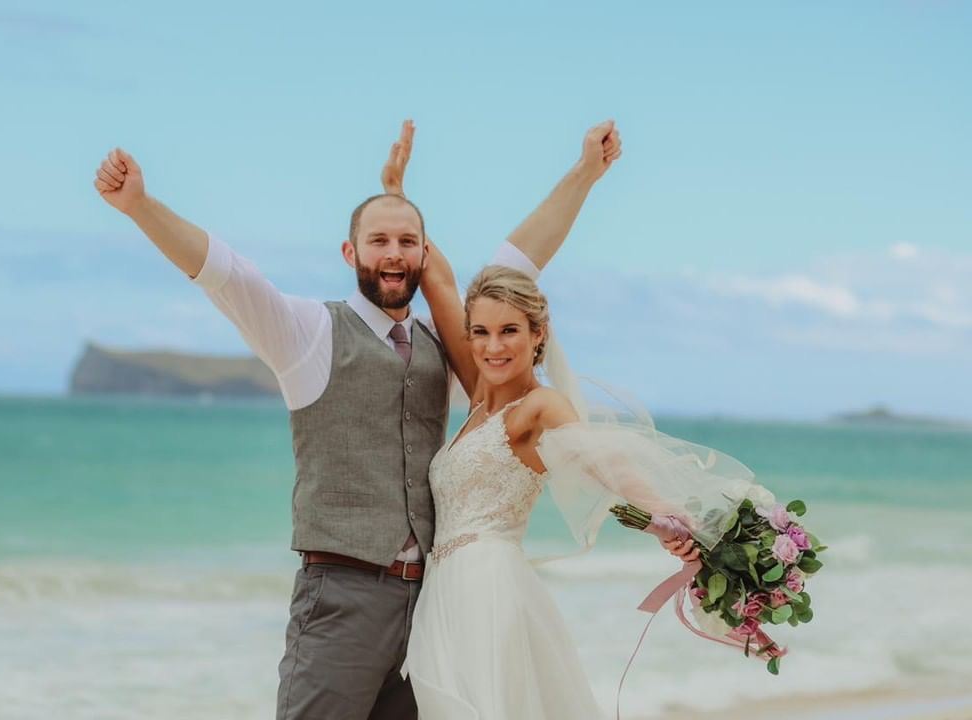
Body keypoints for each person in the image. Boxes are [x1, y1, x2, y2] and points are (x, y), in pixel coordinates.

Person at [93, 119, 625, 720]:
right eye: (378, 241)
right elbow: (226, 273)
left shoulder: (452, 348)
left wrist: (585, 174)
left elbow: (516, 264)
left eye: (406, 242)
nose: (393, 252)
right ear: (351, 253)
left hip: (433, 612)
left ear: (423, 255)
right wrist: (140, 205)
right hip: (342, 600)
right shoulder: (308, 333)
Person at [403, 246, 703, 718]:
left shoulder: (540, 407)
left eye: (509, 331)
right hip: (443, 590)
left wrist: (666, 518)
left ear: (537, 334)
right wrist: (402, 218)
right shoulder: (480, 400)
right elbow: (439, 283)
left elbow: (605, 462)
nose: (493, 347)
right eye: (480, 332)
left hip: (487, 586)